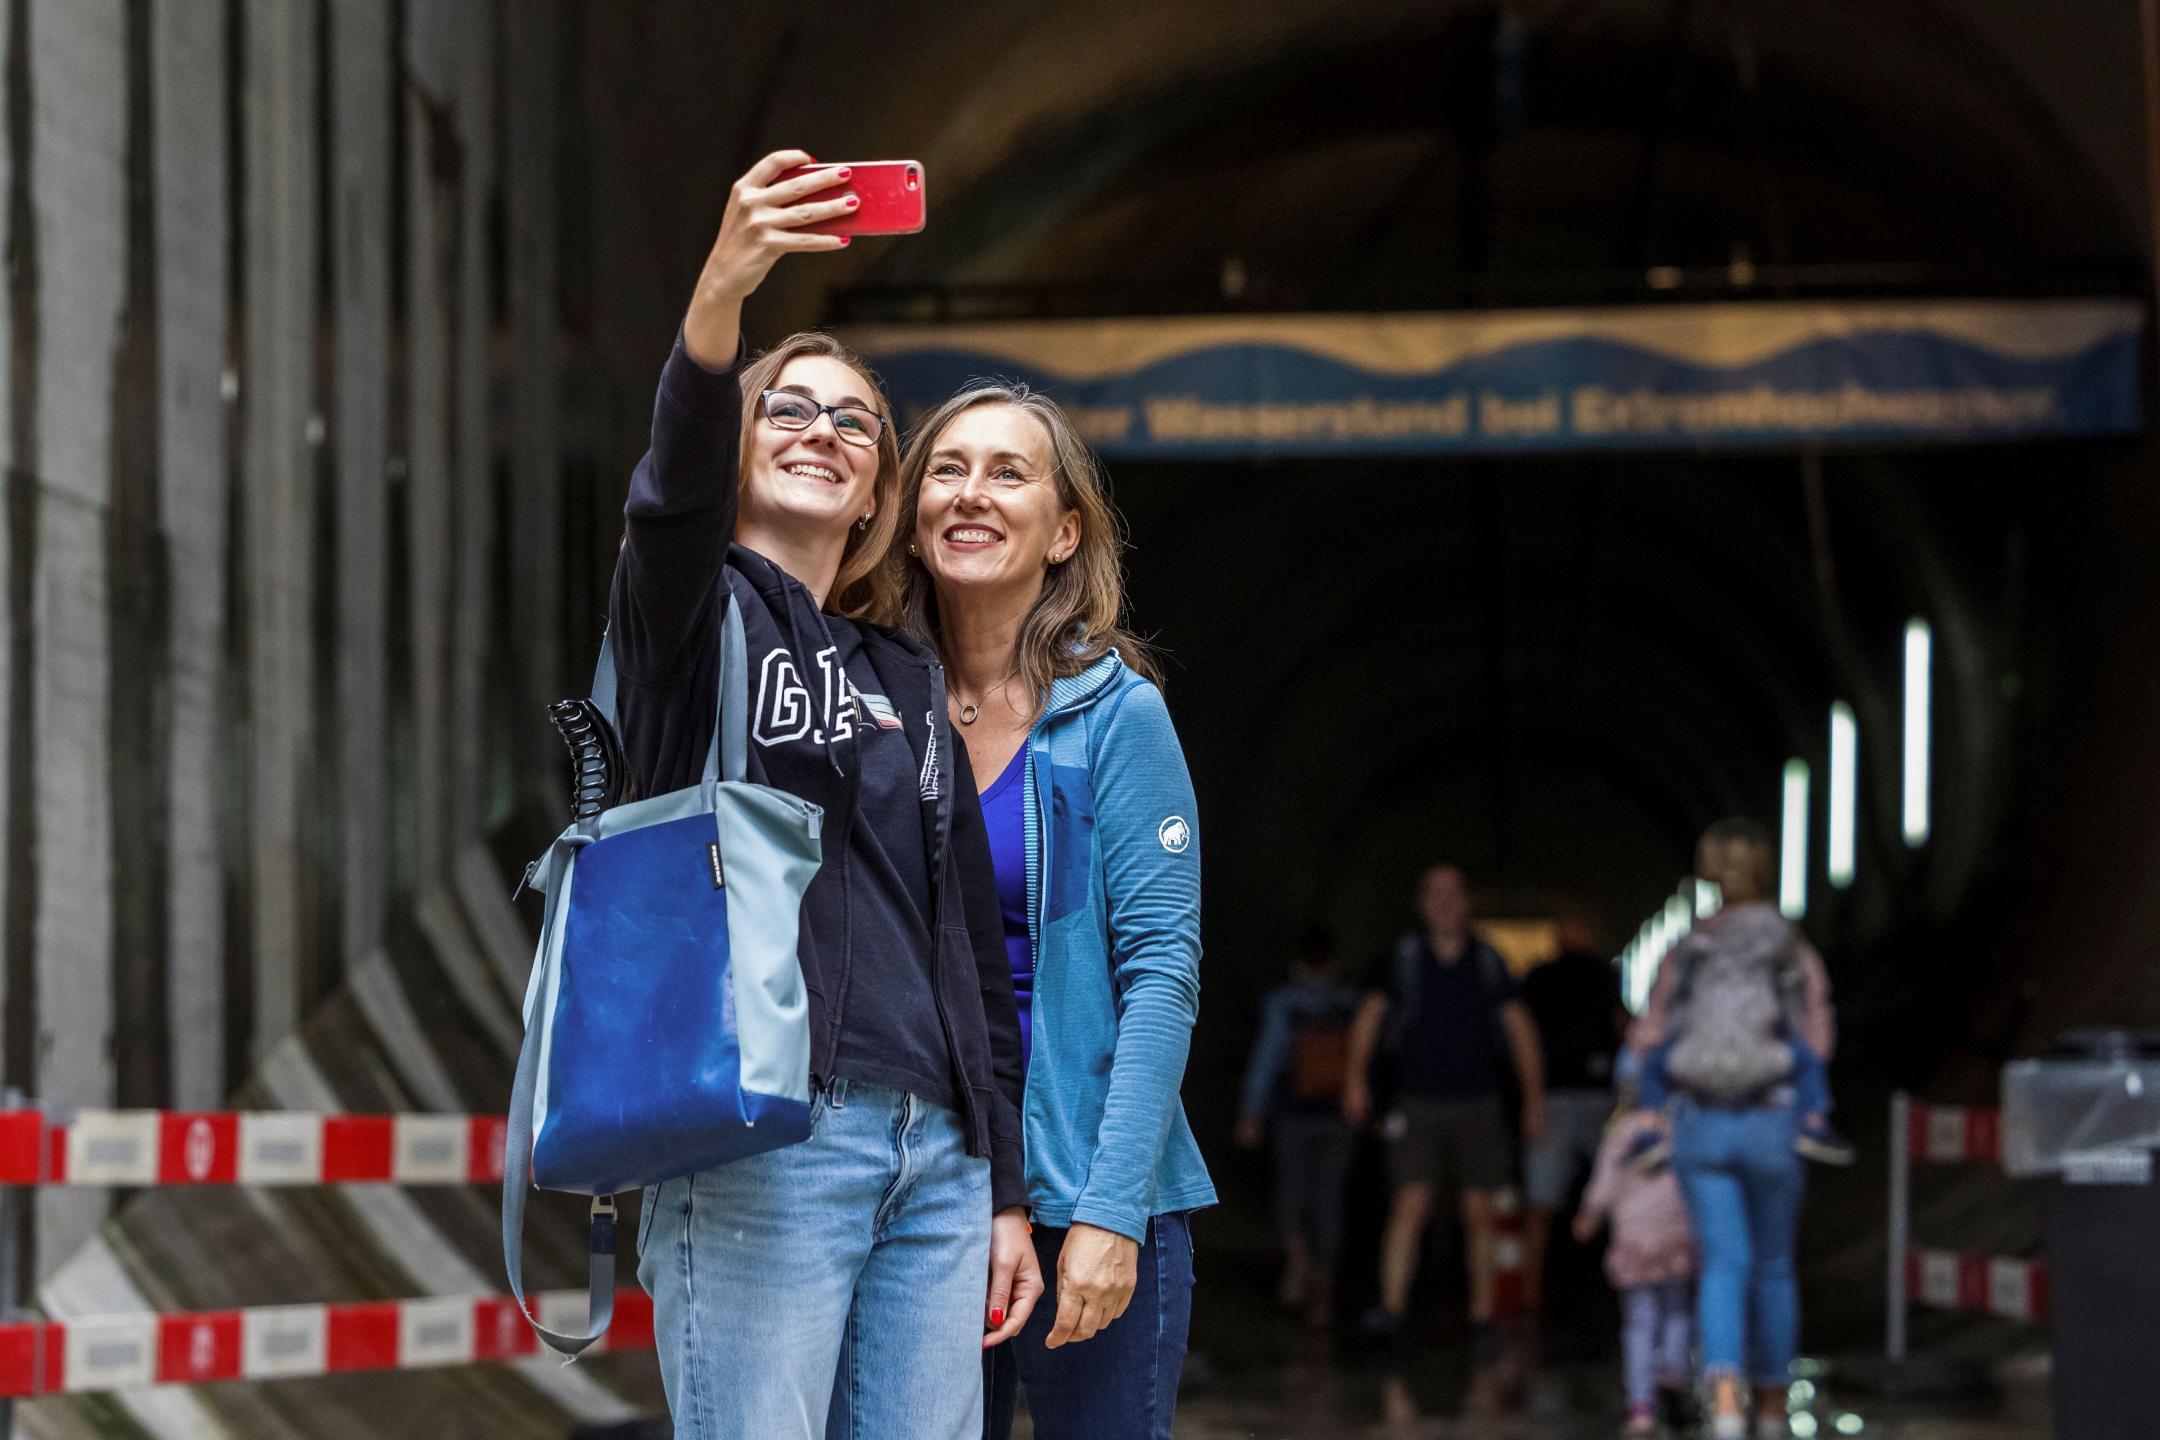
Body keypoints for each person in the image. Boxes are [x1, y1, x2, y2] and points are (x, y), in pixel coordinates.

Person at [613, 151, 1039, 1440]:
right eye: (787, 409)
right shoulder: (688, 622)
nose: (822, 432)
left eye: (855, 424)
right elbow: (669, 499)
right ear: (739, 450)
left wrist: (1002, 1184)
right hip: (762, 1137)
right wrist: (721, 296)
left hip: (936, 1164)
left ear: (875, 492)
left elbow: (967, 940)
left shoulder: (909, 676)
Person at [875, 380, 1216, 1439]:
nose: (971, 494)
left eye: (1009, 472)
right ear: (909, 513)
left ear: (1065, 533)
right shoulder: (871, 705)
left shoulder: (1119, 715)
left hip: (1088, 1191)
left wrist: (1113, 1214)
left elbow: (1161, 972)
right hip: (921, 1193)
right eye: (947, 467)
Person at [1633, 818, 1836, 1440]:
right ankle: (1773, 1412)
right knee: (1773, 1268)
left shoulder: (1688, 951)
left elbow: (1650, 1035)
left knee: (1722, 1266)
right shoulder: (1789, 949)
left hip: (1700, 1124)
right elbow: (1816, 1035)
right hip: (1771, 1120)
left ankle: (1723, 1409)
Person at [1343, 864, 1547, 1362]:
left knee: (1479, 1211)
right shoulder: (1403, 959)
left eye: (1453, 893)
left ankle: (1481, 1319)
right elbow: (1370, 1017)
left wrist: (1534, 1098)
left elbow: (1519, 1028)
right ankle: (1391, 1313)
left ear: (1467, 901)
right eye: (1433, 893)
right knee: (1409, 1204)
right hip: (1417, 1099)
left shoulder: (1488, 962)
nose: (1444, 902)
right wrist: (1355, 1079)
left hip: (1478, 1101)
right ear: (1420, 902)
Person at [1235, 924, 1362, 1328]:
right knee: (1330, 1198)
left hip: (1294, 1115)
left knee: (1292, 1193)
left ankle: (1298, 1267)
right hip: (1340, 1116)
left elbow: (1267, 1060)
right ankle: (1323, 1285)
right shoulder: (1352, 1004)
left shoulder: (1285, 1003)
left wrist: (1251, 1113)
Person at [1573, 1050, 1697, 1438]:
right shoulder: (1684, 1127)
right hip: (1677, 1238)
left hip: (1635, 1242)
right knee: (1678, 1310)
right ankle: (1672, 1372)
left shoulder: (1622, 1131)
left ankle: (1641, 1407)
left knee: (1640, 1322)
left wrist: (1589, 1215)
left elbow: (1604, 1183)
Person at [1518, 915, 1627, 1320]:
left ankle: (1624, 1275)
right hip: (1560, 1095)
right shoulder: (1543, 978)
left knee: (1613, 1192)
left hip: (1594, 1095)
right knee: (1542, 1198)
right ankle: (1531, 1293)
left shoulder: (1603, 974)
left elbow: (1619, 1023)